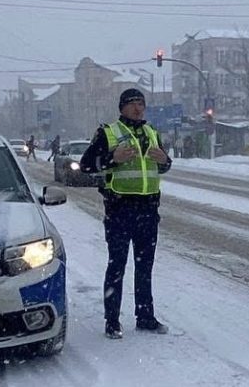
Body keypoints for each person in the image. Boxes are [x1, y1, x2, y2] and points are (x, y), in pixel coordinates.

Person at [80, 88, 172, 339]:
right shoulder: (108, 133)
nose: (137, 107)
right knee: (117, 266)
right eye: (132, 103)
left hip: (149, 210)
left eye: (141, 103)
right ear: (121, 107)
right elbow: (86, 164)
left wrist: (164, 160)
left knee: (145, 267)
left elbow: (163, 166)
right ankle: (112, 321)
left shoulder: (152, 132)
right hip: (120, 210)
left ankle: (145, 316)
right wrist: (112, 158)